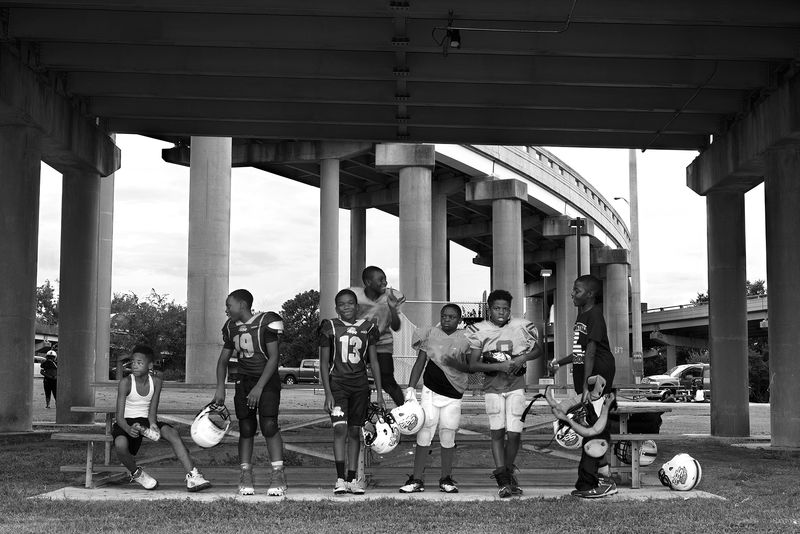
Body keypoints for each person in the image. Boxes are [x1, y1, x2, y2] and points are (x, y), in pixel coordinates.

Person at [465, 289, 543, 498]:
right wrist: (499, 367)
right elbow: (472, 364)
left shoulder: (522, 326)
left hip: (516, 383)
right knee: (497, 432)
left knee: (515, 432)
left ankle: (506, 474)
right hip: (493, 387)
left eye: (505, 309)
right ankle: (503, 479)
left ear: (510, 309)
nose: (501, 312)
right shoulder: (479, 330)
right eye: (497, 308)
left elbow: (538, 349)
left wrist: (521, 359)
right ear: (489, 309)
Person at [213, 289, 287, 496]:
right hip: (244, 381)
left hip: (266, 381)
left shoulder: (266, 322)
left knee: (269, 425)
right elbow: (222, 361)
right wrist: (220, 387)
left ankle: (278, 474)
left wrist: (259, 387)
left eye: (229, 305)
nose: (226, 309)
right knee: (246, 428)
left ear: (242, 305)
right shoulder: (230, 327)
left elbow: (274, 358)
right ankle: (245, 474)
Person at [550, 274, 617, 497]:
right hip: (588, 380)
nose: (572, 294)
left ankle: (603, 482)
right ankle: (588, 482)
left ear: (590, 294)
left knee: (595, 431)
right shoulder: (583, 315)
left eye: (577, 291)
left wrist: (587, 387)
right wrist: (560, 362)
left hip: (597, 378)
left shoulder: (595, 314)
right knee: (590, 428)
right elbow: (579, 353)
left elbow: (591, 352)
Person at [112, 344, 211, 492]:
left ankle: (193, 476)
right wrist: (127, 428)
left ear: (149, 365)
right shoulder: (126, 382)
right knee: (120, 445)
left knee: (173, 433)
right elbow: (118, 416)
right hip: (126, 421)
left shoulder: (156, 382)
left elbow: (153, 409)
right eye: (133, 362)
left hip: (145, 419)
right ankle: (138, 474)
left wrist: (152, 424)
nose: (135, 366)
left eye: (139, 363)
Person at [399, 303, 471, 494]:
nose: (447, 319)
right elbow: (420, 362)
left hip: (454, 392)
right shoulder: (430, 334)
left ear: (459, 320)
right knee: (425, 431)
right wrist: (411, 388)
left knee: (448, 433)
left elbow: (471, 367)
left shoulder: (466, 338)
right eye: (444, 316)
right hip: (431, 391)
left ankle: (446, 478)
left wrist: (455, 363)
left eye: (452, 316)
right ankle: (416, 479)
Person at [318, 289, 384, 495]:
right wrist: (327, 392)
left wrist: (380, 393)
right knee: (340, 429)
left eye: (350, 303)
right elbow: (323, 362)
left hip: (360, 386)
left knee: (355, 431)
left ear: (357, 306)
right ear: (336, 308)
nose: (346, 307)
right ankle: (339, 478)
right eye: (341, 304)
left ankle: (352, 478)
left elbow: (374, 361)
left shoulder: (368, 328)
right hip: (337, 384)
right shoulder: (329, 327)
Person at [545, 384, 618, 498]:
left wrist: (569, 421)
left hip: (596, 433)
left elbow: (592, 431)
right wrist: (551, 400)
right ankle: (596, 482)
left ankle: (603, 483)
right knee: (590, 451)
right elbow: (565, 407)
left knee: (594, 446)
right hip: (594, 428)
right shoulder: (591, 396)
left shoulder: (602, 401)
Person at [350, 266, 406, 407]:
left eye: (385, 280)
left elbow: (396, 327)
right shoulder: (354, 296)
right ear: (368, 282)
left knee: (387, 379)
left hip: (382, 343)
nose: (385, 283)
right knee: (358, 380)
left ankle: (405, 412)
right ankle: (361, 414)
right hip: (360, 343)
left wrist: (392, 309)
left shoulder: (391, 296)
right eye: (380, 280)